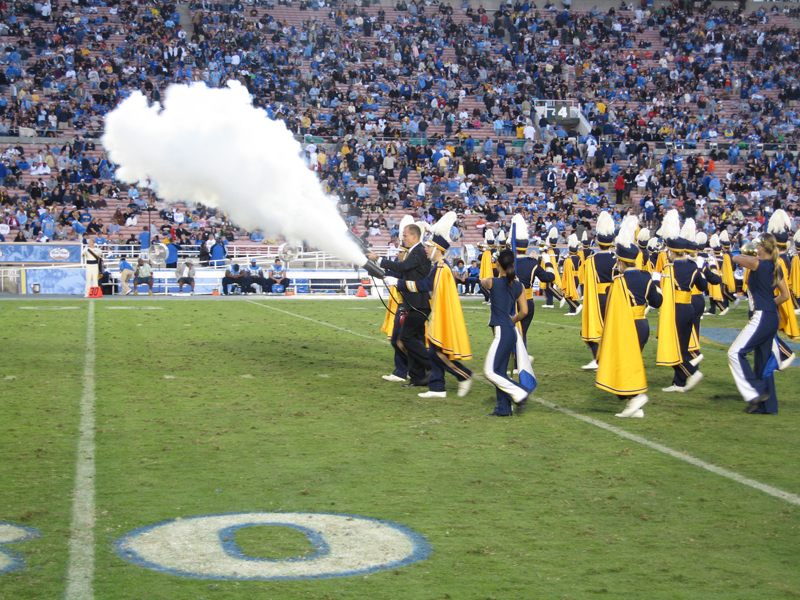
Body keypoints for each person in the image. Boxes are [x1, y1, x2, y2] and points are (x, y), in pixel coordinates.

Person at [384, 212, 472, 399]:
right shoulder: (439, 266)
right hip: (437, 313)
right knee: (433, 350)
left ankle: (464, 376)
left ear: (437, 249)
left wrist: (397, 283)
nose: (426, 249)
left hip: (441, 315)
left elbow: (424, 286)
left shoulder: (441, 268)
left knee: (437, 351)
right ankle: (437, 387)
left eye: (429, 247)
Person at [596, 216, 663, 418]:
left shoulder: (619, 282)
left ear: (621, 261)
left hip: (627, 326)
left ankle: (636, 397)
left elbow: (611, 307)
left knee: (623, 364)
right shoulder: (646, 277)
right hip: (643, 325)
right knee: (630, 364)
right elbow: (657, 303)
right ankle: (634, 406)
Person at [728, 233, 791, 414]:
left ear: (762, 247)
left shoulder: (757, 264)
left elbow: (735, 257)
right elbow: (785, 296)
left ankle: (755, 392)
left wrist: (747, 253)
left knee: (735, 352)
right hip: (771, 316)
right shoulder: (774, 267)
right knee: (763, 362)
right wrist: (770, 304)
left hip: (762, 316)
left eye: (757, 246)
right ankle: (768, 406)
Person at [367, 224, 432, 388]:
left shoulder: (419, 251)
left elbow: (402, 267)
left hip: (419, 304)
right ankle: (418, 378)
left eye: (405, 236)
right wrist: (376, 270)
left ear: (414, 237)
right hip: (414, 304)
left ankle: (433, 364)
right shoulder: (414, 252)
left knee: (407, 337)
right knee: (413, 339)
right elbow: (401, 273)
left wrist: (379, 259)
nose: (402, 238)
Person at [657, 211, 706, 393]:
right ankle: (679, 383)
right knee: (683, 346)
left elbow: (663, 289)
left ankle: (692, 372)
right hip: (689, 307)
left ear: (671, 251)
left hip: (675, 309)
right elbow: (702, 285)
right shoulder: (693, 266)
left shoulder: (669, 267)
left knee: (673, 345)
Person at [481, 248, 534, 417]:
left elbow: (482, 281)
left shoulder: (492, 282)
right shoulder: (519, 285)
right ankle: (503, 409)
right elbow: (524, 312)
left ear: (497, 265)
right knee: (500, 371)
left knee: (490, 371)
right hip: (511, 330)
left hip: (501, 332)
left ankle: (520, 393)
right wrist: (514, 319)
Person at [379, 215, 415, 384]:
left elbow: (398, 275)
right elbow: (393, 273)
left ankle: (406, 370)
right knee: (398, 339)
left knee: (401, 340)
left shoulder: (408, 267)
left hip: (408, 307)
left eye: (400, 251)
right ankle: (403, 369)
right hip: (402, 306)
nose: (398, 254)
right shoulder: (404, 266)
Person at [580, 211, 616, 370]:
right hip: (615, 296)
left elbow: (587, 283)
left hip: (598, 296)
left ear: (597, 240)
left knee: (588, 329)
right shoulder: (617, 258)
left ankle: (598, 358)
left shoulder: (591, 260)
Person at [765, 209, 799, 370]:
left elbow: (778, 285)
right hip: (774, 298)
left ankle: (785, 353)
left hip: (775, 299)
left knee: (767, 331)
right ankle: (775, 359)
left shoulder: (780, 261)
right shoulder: (782, 258)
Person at [541, 227, 564, 308]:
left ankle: (560, 298)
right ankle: (549, 302)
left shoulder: (550, 250)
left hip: (551, 268)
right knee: (548, 287)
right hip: (555, 267)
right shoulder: (557, 250)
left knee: (549, 286)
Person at [562, 234, 582, 315]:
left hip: (571, 277)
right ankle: (572, 311)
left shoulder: (568, 259)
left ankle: (577, 305)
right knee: (571, 294)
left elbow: (563, 265)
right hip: (577, 277)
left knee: (567, 295)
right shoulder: (578, 258)